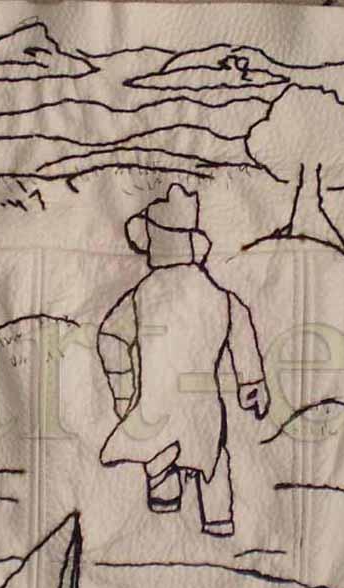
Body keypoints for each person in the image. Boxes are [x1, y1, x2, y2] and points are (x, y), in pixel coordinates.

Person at [97, 183, 269, 537]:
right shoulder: (219, 296)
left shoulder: (142, 294)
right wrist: (251, 384)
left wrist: (123, 389)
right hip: (202, 399)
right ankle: (218, 518)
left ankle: (164, 491)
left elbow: (110, 338)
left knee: (156, 441)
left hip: (154, 395)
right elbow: (241, 331)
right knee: (211, 452)